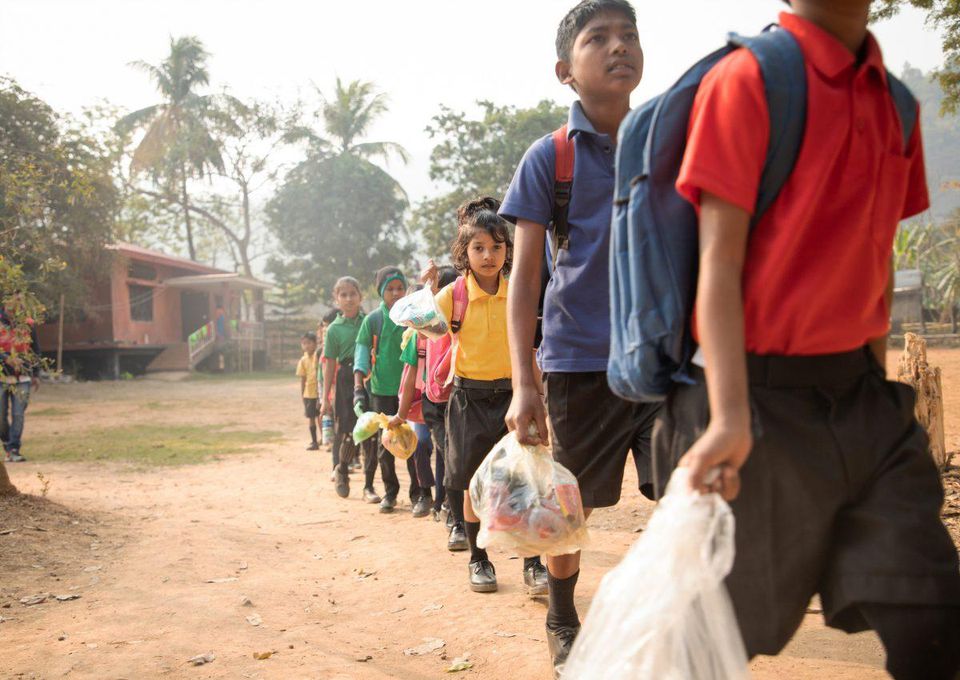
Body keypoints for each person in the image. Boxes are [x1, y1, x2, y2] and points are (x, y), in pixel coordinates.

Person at [656, 2, 960, 679]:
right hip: (759, 406)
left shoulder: (897, 104)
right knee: (714, 642)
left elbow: (874, 261)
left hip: (863, 404)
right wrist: (730, 418)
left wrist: (877, 394)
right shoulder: (747, 82)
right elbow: (720, 264)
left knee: (933, 613)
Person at [500, 0, 653, 671]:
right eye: (600, 39)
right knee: (572, 505)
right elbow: (524, 283)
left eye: (629, 35)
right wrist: (524, 384)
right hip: (578, 361)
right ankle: (563, 615)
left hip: (661, 357)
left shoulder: (667, 140)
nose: (619, 47)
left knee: (692, 489)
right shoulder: (550, 158)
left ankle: (672, 612)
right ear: (566, 70)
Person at [437, 197, 548, 596]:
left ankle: (534, 564)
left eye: (497, 247)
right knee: (470, 484)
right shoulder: (453, 296)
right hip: (467, 400)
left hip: (512, 399)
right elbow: (423, 329)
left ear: (507, 250)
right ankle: (479, 560)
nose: (488, 256)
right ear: (464, 253)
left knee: (524, 482)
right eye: (479, 248)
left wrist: (538, 394)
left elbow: (530, 349)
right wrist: (421, 304)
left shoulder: (518, 291)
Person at [394, 265, 461, 534]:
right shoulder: (420, 335)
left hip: (461, 400)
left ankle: (445, 504)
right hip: (429, 402)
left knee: (451, 455)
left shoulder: (463, 328)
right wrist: (400, 413)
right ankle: (435, 499)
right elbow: (410, 376)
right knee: (438, 449)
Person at [353, 266, 408, 514]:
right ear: (381, 292)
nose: (396, 293)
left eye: (399, 288)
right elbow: (362, 352)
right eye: (390, 290)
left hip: (410, 391)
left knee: (411, 442)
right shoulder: (373, 320)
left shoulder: (412, 315)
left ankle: (421, 493)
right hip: (381, 390)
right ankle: (390, 492)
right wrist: (358, 387)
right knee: (386, 443)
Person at [321, 277, 377, 501]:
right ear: (336, 299)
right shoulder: (333, 330)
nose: (348, 299)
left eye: (352, 294)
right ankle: (342, 470)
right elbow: (329, 365)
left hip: (370, 376)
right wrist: (325, 397)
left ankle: (369, 486)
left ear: (360, 296)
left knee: (371, 431)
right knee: (347, 430)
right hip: (345, 379)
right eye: (343, 295)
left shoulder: (369, 322)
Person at [0, 297, 40, 463]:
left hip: (22, 377)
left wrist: (36, 374)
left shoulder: (28, 323)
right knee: (0, 416)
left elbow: (36, 349)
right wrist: (6, 358)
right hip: (1, 377)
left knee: (18, 414)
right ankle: (8, 444)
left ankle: (14, 448)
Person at [295, 332, 321, 452]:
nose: (306, 346)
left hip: (319, 392)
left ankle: (325, 439)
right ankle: (314, 441)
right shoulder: (303, 360)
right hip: (308, 393)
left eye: (309, 343)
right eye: (304, 343)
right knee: (311, 417)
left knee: (321, 416)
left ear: (315, 344)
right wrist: (302, 394)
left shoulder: (319, 356)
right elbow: (303, 378)